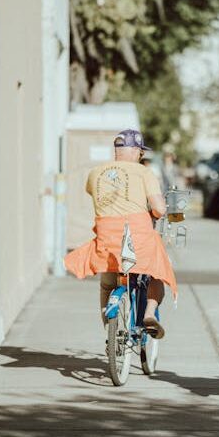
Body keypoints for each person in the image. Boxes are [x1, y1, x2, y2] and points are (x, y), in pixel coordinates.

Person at [64, 129, 176, 338]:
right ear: (135, 151)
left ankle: (110, 327)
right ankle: (150, 314)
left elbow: (93, 193)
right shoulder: (144, 173)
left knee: (108, 282)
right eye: (141, 153)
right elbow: (159, 209)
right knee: (157, 272)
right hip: (139, 237)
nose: (141, 156)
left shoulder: (95, 173)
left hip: (108, 240)